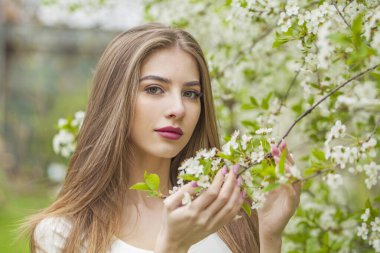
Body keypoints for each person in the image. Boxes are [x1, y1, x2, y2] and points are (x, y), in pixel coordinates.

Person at [26, 23, 301, 253]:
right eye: (155, 89)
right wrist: (172, 247)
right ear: (115, 99)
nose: (178, 109)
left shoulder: (225, 210)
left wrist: (269, 236)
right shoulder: (63, 234)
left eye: (191, 93)